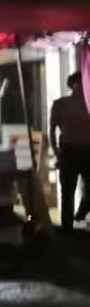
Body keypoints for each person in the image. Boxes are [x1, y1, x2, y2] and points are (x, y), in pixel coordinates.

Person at [49, 70, 90, 230]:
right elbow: (52, 130)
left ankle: (79, 214)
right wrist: (57, 153)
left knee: (84, 191)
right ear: (73, 85)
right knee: (67, 193)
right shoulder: (60, 104)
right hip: (68, 151)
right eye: (80, 83)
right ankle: (67, 228)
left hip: (86, 150)